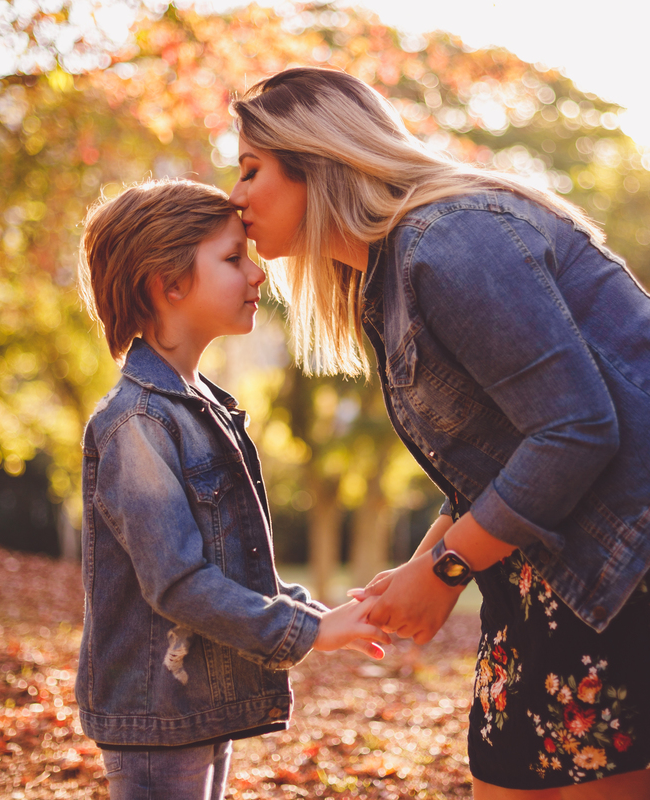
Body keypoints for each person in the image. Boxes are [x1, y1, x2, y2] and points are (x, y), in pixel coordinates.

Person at [228, 68, 650, 800]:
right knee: (509, 763)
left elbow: (577, 429)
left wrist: (448, 570)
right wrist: (422, 564)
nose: (234, 197)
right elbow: (497, 451)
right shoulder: (387, 277)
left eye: (249, 170)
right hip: (562, 519)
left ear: (318, 160)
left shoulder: (449, 240)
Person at [74, 178, 388, 800]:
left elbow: (233, 568)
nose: (258, 274)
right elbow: (179, 581)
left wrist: (318, 615)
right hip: (156, 712)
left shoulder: (205, 407)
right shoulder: (137, 423)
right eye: (232, 258)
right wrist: (307, 633)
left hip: (192, 701)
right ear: (168, 284)